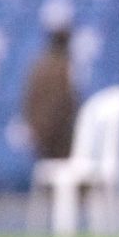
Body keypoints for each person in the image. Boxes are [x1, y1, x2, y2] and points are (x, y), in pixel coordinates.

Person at [21, 29, 77, 160]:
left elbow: (28, 100)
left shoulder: (39, 66)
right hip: (56, 134)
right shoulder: (62, 67)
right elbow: (65, 102)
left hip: (40, 132)